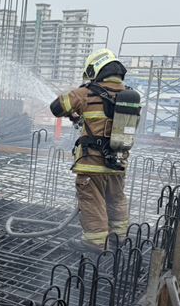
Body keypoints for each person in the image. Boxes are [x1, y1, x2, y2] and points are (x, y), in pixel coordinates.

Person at [49, 49, 132, 252]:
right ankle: (120, 239)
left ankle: (95, 244)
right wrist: (82, 118)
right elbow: (107, 123)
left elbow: (56, 107)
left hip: (92, 164)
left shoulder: (86, 93)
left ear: (95, 69)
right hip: (117, 162)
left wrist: (77, 94)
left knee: (91, 203)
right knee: (116, 200)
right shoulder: (128, 95)